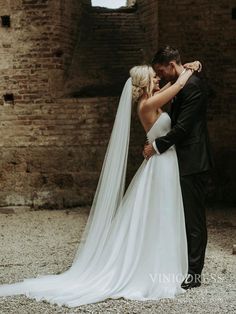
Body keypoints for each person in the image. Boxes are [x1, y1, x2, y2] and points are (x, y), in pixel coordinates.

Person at [0, 61, 200, 308]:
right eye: (154, 77)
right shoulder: (148, 104)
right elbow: (178, 85)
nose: (158, 79)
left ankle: (165, 265)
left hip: (165, 162)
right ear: (145, 84)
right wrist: (193, 66)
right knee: (159, 213)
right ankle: (151, 269)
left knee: (164, 213)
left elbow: (170, 84)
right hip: (160, 165)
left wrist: (180, 72)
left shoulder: (153, 98)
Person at [144, 46, 214, 290]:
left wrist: (157, 146)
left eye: (161, 70)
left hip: (194, 161)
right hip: (181, 161)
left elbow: (183, 128)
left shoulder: (193, 86)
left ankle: (194, 274)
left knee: (194, 220)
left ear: (172, 65)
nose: (160, 75)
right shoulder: (182, 83)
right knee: (183, 217)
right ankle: (183, 265)